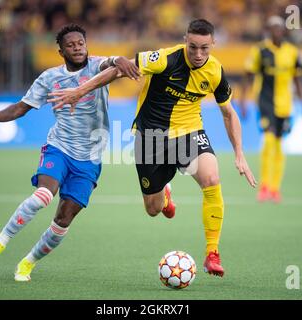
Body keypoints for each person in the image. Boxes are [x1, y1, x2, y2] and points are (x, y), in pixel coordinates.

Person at [48, 19, 257, 277]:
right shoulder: (164, 59)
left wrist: (240, 154)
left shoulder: (215, 71)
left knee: (212, 179)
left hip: (189, 133)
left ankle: (212, 253)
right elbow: (118, 71)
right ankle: (164, 194)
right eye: (193, 47)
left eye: (205, 48)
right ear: (185, 41)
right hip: (151, 138)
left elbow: (228, 113)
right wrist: (79, 91)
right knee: (153, 209)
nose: (199, 54)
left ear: (213, 44)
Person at [0, 24, 140, 282]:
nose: (77, 48)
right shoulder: (50, 78)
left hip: (89, 159)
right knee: (43, 194)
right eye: (71, 45)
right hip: (60, 147)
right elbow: (21, 108)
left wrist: (119, 59)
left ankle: (28, 262)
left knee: (63, 220)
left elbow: (112, 64)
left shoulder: (96, 67)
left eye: (81, 43)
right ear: (61, 51)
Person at [240, 16, 302, 203]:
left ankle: (275, 188)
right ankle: (264, 186)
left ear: (283, 30)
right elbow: (248, 75)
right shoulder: (260, 51)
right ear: (269, 30)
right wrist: (243, 101)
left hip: (285, 105)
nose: (276, 31)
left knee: (279, 146)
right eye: (273, 28)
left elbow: (297, 80)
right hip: (265, 102)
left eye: (279, 28)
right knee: (269, 142)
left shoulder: (292, 52)